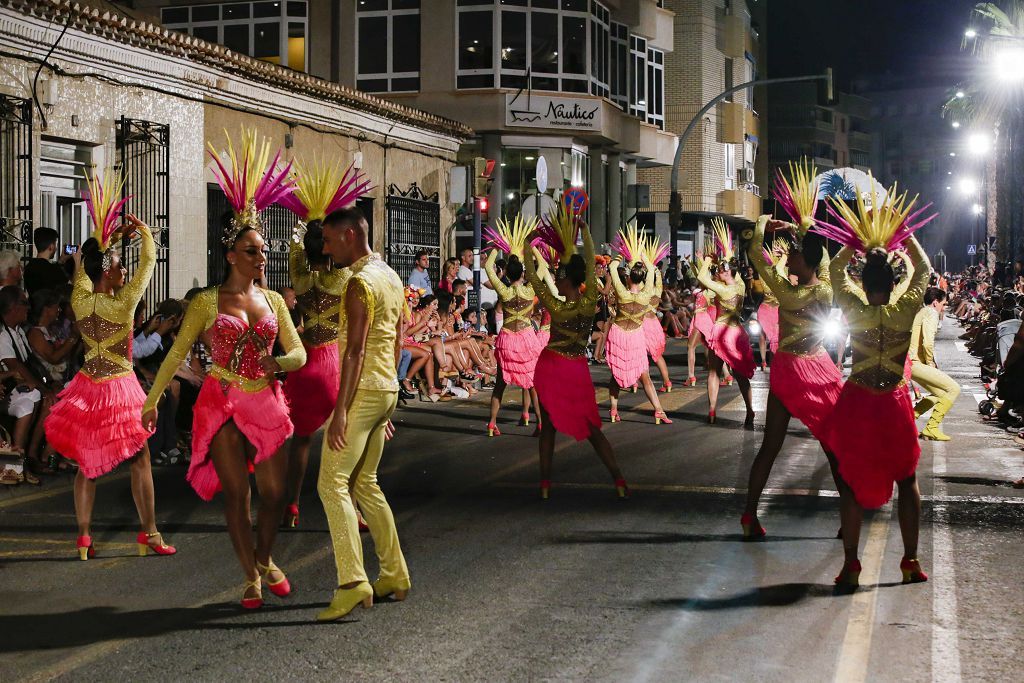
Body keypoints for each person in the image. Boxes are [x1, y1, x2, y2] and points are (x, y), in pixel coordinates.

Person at [143, 129, 304, 608]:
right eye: (253, 250)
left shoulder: (274, 298)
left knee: (275, 493)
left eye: (264, 250)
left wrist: (280, 361)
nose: (262, 256)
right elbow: (176, 354)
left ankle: (264, 557)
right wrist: (151, 402)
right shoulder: (208, 302)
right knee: (239, 496)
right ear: (231, 255)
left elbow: (297, 352)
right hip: (223, 400)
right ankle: (249, 577)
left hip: (266, 398)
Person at [43, 176, 174, 559]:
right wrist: (144, 233)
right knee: (140, 457)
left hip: (87, 383)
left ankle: (83, 537)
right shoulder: (125, 302)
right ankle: (149, 532)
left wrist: (104, 241)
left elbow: (83, 264)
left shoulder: (80, 298)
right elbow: (149, 261)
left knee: (87, 461)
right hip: (118, 385)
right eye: (118, 265)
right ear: (109, 272)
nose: (122, 269)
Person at [817, 183, 933, 589]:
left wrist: (854, 243)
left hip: (859, 401)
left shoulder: (852, 306)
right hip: (894, 404)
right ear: (892, 280)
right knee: (908, 481)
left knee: (849, 481)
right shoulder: (905, 308)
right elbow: (925, 270)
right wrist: (902, 232)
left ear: (863, 282)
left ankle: (851, 564)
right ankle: (910, 561)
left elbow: (833, 270)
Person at [316, 207, 409, 622]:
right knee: (365, 483)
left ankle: (353, 582)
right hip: (384, 388)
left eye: (329, 240)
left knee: (331, 484)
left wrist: (341, 411)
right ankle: (394, 573)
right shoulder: (389, 275)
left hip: (365, 391)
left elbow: (354, 352)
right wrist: (387, 399)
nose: (325, 247)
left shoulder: (358, 283)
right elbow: (397, 341)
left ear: (351, 235)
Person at [276, 159, 370, 528]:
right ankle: (354, 507)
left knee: (300, 441)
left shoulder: (299, 279)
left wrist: (307, 228)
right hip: (332, 363)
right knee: (346, 438)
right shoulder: (343, 278)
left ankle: (293, 505)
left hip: (303, 363)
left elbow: (296, 251)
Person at [741, 215, 844, 540]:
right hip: (816, 368)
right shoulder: (825, 289)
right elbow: (823, 257)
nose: (788, 257)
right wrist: (799, 231)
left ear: (806, 261)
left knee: (770, 448)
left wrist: (761, 224)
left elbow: (756, 254)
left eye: (794, 254)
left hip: (789, 372)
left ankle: (749, 515)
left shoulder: (787, 293)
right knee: (833, 449)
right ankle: (849, 518)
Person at [525, 207, 627, 500]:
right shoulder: (589, 300)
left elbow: (532, 275)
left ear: (567, 278)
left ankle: (545, 484)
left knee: (548, 429)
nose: (555, 279)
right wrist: (584, 230)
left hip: (552, 366)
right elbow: (594, 270)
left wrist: (528, 246)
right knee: (593, 429)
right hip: (577, 368)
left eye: (558, 275)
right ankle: (618, 479)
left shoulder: (555, 306)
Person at [482, 215, 544, 436]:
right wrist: (533, 247)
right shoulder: (530, 290)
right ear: (524, 272)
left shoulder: (504, 291)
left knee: (500, 383)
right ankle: (539, 423)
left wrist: (498, 246)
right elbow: (544, 267)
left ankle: (491, 423)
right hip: (527, 337)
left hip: (508, 336)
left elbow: (489, 266)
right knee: (533, 382)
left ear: (507, 273)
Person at [606, 228, 671, 425]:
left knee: (616, 374)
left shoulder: (621, 291)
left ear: (628, 277)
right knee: (645, 376)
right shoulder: (646, 294)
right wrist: (642, 256)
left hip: (618, 334)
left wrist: (621, 253)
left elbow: (612, 268)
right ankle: (659, 410)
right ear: (642, 279)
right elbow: (652, 270)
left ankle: (614, 410)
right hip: (635, 336)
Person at [694, 219, 755, 426]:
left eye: (720, 271)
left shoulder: (722, 289)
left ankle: (712, 410)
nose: (719, 273)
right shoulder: (739, 286)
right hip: (736, 332)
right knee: (739, 376)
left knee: (714, 372)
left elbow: (703, 278)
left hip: (720, 332)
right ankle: (750, 410)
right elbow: (731, 270)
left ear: (724, 273)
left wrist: (706, 262)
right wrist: (727, 254)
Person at [910, 287, 959, 441]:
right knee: (953, 388)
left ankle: (909, 421)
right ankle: (931, 427)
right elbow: (927, 343)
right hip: (915, 363)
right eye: (943, 304)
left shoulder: (921, 312)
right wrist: (930, 362)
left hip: (910, 362)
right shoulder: (931, 313)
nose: (943, 308)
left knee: (940, 393)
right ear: (935, 302)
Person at [24, 227, 71, 296]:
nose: (56, 248)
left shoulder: (28, 267)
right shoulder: (53, 271)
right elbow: (70, 290)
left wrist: (61, 260)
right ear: (51, 247)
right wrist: (77, 260)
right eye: (55, 244)